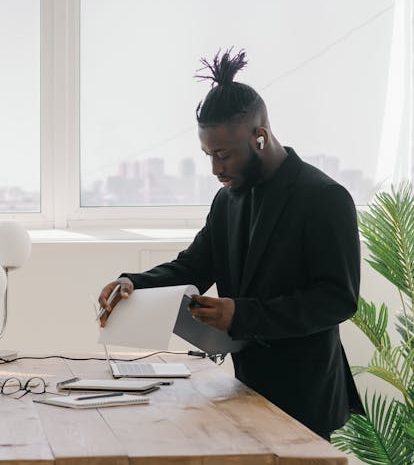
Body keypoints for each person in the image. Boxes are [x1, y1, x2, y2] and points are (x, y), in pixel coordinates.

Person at [97, 49, 364, 440]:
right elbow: (195, 265)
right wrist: (133, 283)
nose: (215, 169)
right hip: (245, 388)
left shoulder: (325, 197)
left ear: (260, 137)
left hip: (305, 398)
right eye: (208, 155)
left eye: (223, 155)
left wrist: (241, 314)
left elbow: (338, 299)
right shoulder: (228, 199)